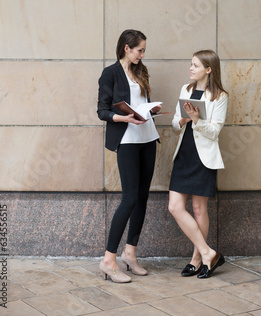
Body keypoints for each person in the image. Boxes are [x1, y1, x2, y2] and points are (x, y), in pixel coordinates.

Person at [97, 29, 161, 283]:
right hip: (127, 141)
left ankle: (130, 253)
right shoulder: (111, 73)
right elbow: (102, 110)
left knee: (142, 198)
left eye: (143, 50)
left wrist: (150, 110)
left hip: (147, 138)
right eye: (140, 50)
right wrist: (123, 117)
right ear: (126, 48)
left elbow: (141, 103)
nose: (142, 54)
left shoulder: (140, 71)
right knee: (129, 198)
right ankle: (108, 260)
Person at [168, 50, 228, 279]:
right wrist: (183, 119)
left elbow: (215, 132)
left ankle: (196, 259)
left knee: (199, 209)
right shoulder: (187, 89)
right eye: (191, 64)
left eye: (195, 65)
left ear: (208, 69)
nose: (191, 68)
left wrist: (197, 120)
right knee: (174, 206)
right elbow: (175, 124)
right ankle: (208, 253)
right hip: (184, 154)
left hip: (204, 157)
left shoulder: (220, 96)